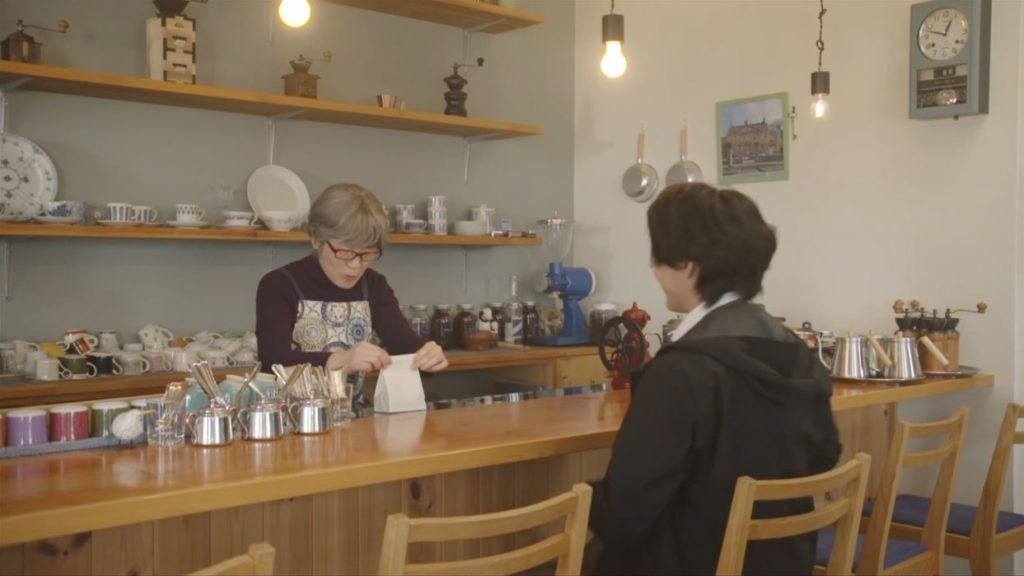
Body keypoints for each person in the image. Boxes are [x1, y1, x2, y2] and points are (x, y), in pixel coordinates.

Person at [588, 183, 841, 575]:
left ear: (686, 265)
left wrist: (576, 499)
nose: (655, 271)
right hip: (785, 563)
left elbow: (623, 513)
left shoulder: (680, 371)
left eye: (657, 258)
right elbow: (825, 453)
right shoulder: (797, 353)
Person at [256, 183, 447, 375]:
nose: (356, 265)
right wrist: (341, 360)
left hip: (353, 397)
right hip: (293, 396)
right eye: (345, 252)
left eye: (368, 253)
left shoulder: (374, 286)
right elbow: (273, 364)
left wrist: (427, 357)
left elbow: (406, 347)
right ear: (316, 239)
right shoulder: (279, 285)